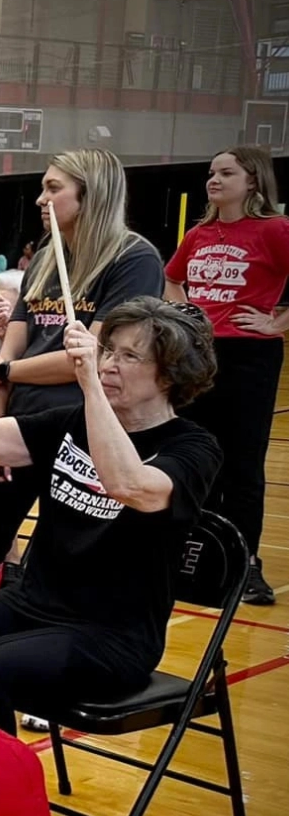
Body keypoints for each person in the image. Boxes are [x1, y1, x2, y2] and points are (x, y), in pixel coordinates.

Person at [0, 300, 221, 734]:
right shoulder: (72, 421)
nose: (110, 364)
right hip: (32, 604)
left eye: (129, 356)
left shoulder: (192, 448)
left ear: (170, 374)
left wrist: (91, 384)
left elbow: (128, 484)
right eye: (108, 351)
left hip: (113, 637)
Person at [0, 149, 165, 605]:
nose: (40, 199)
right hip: (21, 423)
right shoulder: (48, 256)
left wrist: (2, 371)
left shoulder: (134, 258)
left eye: (53, 188)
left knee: (58, 561)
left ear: (89, 196)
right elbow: (9, 349)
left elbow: (88, 359)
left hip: (83, 431)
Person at [164, 145, 289, 606]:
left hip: (249, 357)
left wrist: (278, 322)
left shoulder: (274, 229)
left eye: (226, 173)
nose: (213, 180)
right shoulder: (199, 233)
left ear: (252, 180)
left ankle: (245, 565)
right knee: (194, 454)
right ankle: (191, 556)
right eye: (211, 172)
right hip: (197, 353)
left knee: (241, 465)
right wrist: (185, 314)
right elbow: (173, 278)